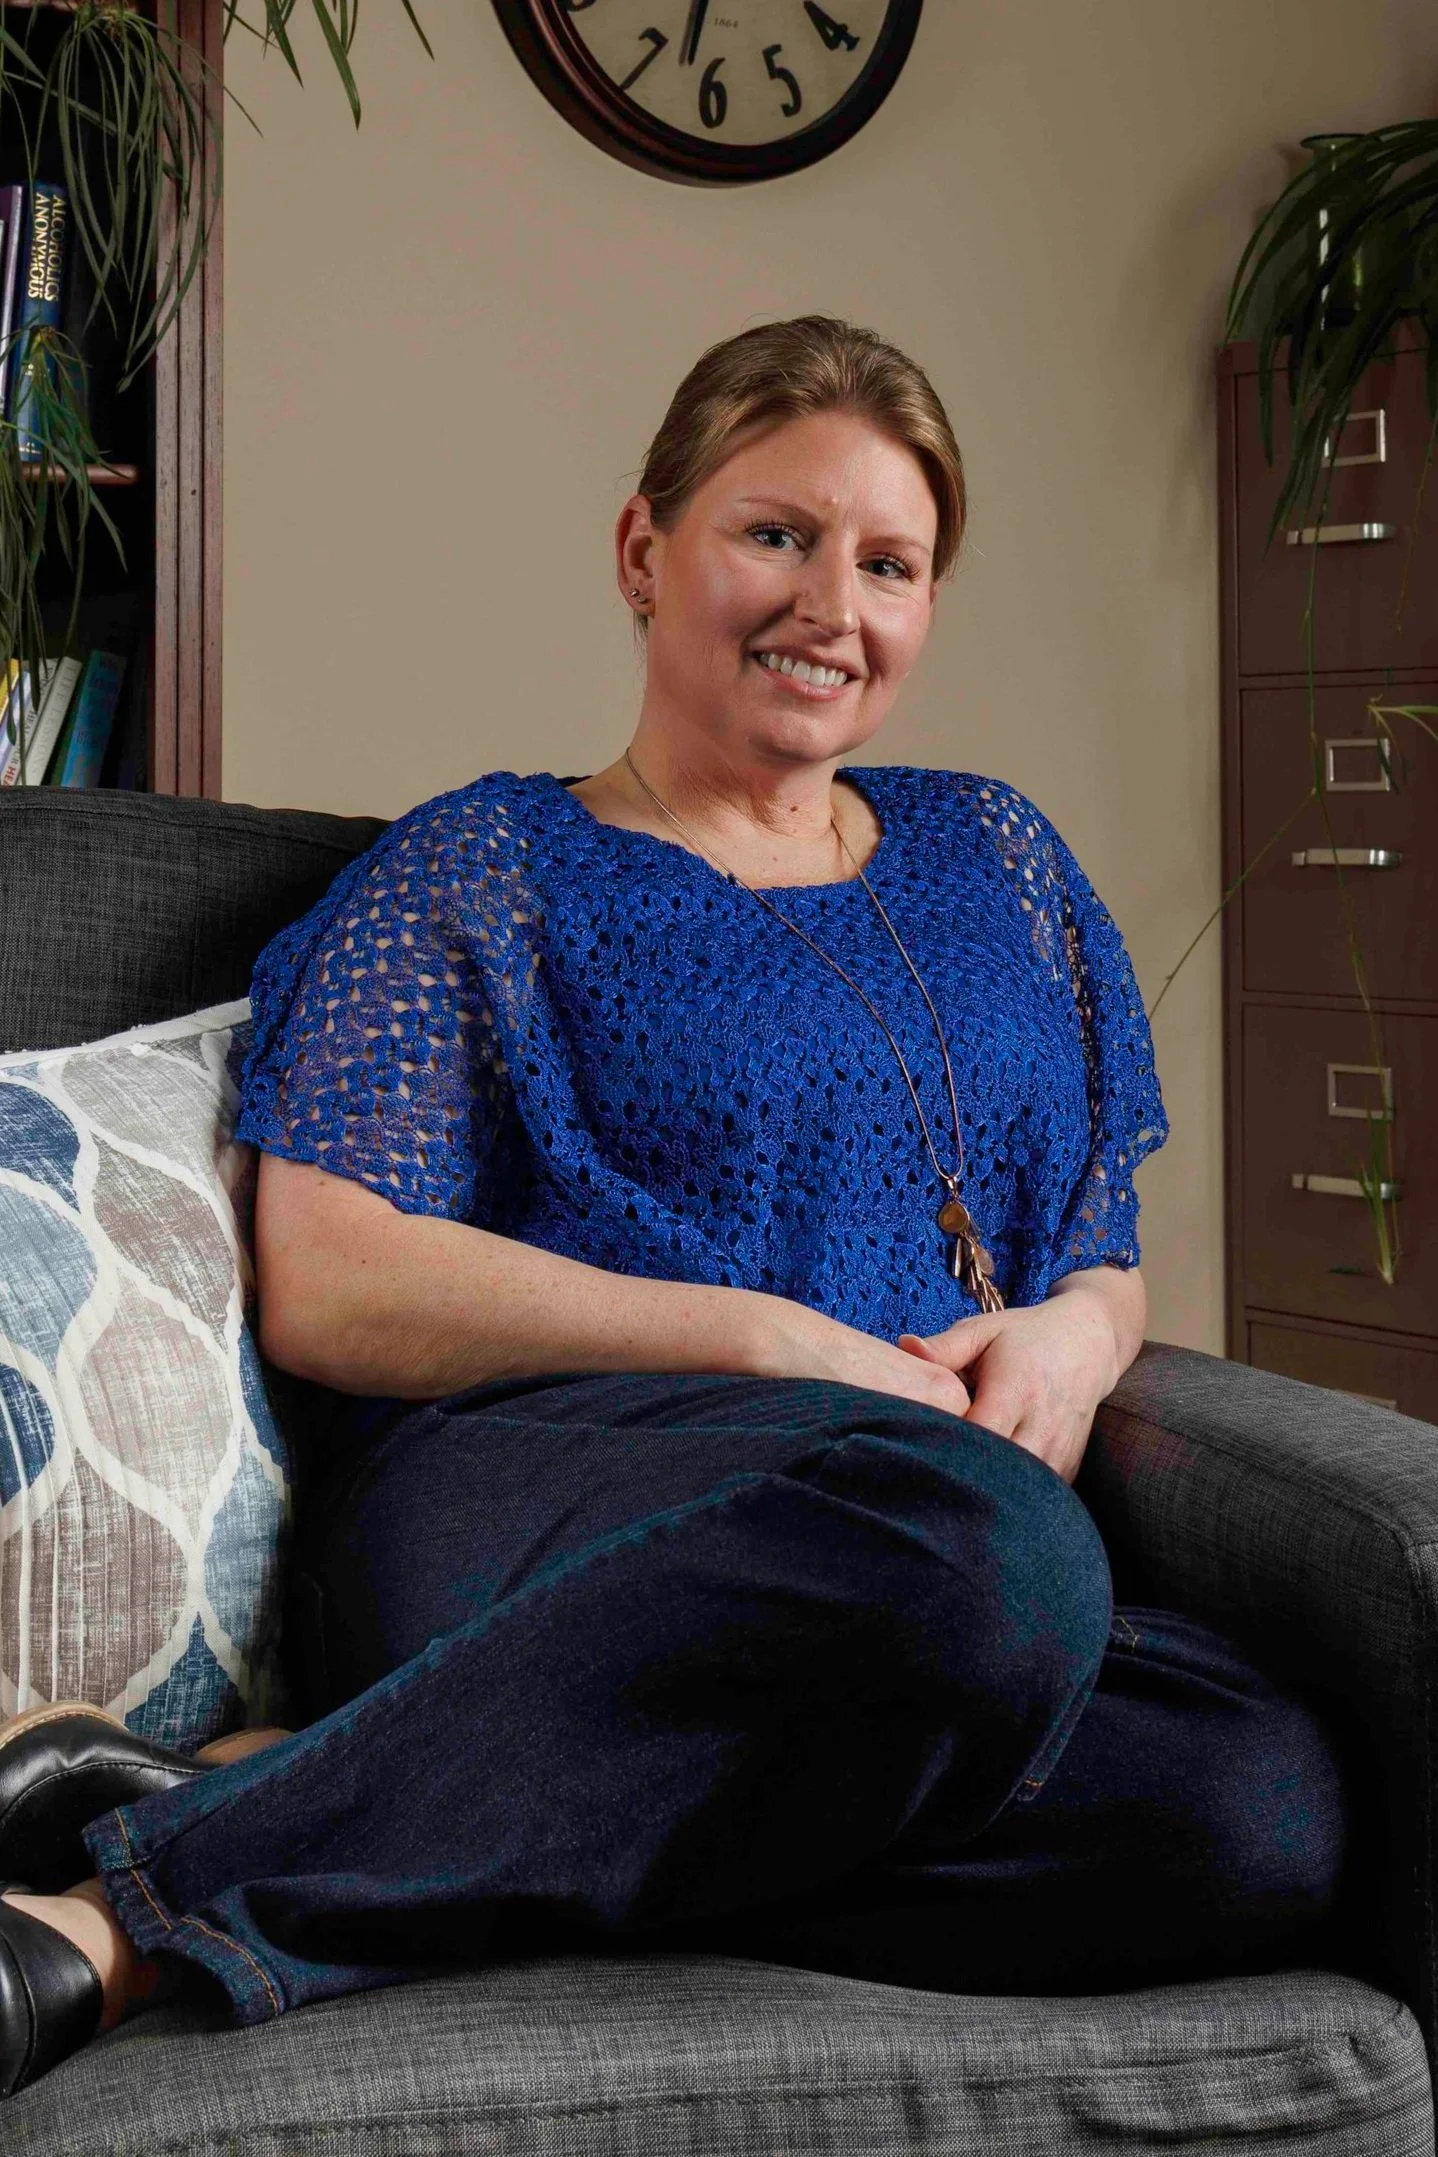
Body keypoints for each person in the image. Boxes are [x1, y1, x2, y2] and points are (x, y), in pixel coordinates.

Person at [0, 316, 1346, 2096]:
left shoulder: (998, 858)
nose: (830, 606)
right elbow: (329, 1281)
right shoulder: (486, 865)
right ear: (645, 551)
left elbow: (1090, 1232)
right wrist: (777, 1343)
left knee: (1249, 1810)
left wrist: (1078, 1340)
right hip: (544, 1498)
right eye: (773, 535)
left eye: (889, 562)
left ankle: (298, 1800)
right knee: (982, 1558)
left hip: (895, 1574)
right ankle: (107, 1930)